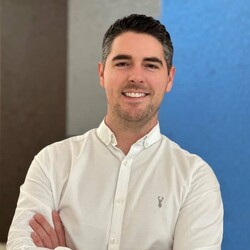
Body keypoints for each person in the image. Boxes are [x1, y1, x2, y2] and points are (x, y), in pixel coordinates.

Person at [7, 14, 223, 250]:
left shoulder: (195, 179)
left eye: (151, 65)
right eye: (122, 63)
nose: (136, 77)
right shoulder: (51, 163)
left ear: (169, 79)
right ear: (102, 73)